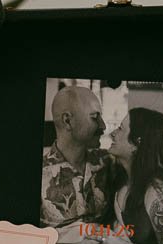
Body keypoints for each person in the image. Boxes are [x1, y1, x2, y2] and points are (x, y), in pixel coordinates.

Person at [41, 85, 126, 228]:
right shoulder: (40, 174)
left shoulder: (109, 161)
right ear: (67, 121)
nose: (103, 126)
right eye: (95, 117)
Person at [109, 107, 163, 244]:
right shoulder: (121, 183)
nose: (112, 133)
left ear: (136, 143)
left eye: (120, 129)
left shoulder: (160, 192)